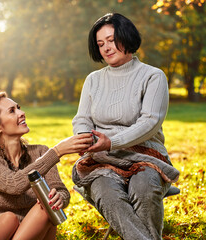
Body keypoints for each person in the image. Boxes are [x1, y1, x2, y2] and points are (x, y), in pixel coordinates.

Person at [71, 13, 179, 240]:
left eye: (111, 40)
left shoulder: (153, 76)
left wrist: (112, 141)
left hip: (145, 157)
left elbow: (150, 122)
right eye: (100, 44)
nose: (106, 48)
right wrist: (84, 137)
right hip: (102, 161)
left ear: (126, 36)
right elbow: (82, 119)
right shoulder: (93, 80)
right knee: (107, 195)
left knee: (144, 190)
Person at [0, 91, 93, 240]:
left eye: (18, 107)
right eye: (12, 111)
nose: (22, 113)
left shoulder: (41, 152)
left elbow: (60, 189)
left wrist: (60, 197)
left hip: (34, 231)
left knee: (45, 208)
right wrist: (57, 152)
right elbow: (14, 184)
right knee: (8, 219)